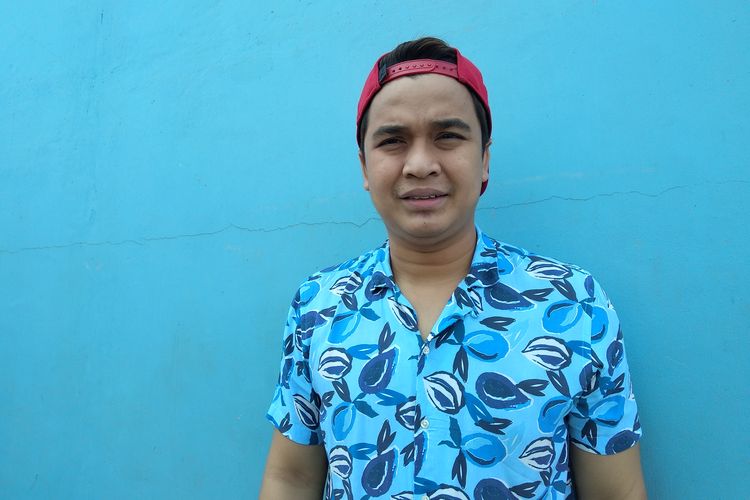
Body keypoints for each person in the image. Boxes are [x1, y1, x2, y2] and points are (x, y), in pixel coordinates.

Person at [260, 37, 646, 500]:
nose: (420, 165)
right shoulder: (318, 305)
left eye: (448, 136)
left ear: (484, 159)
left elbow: (616, 491)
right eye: (392, 141)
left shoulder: (574, 303)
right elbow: (292, 477)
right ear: (364, 166)